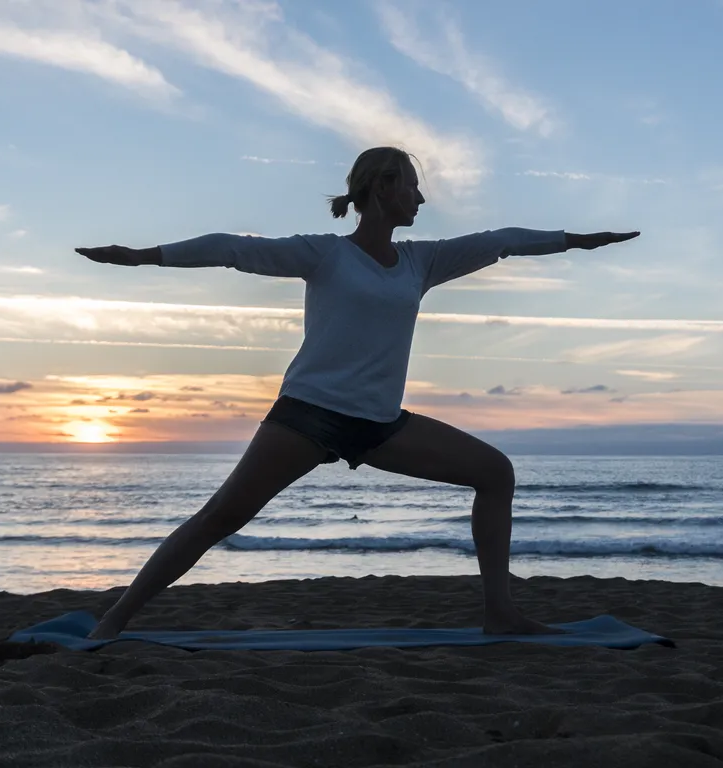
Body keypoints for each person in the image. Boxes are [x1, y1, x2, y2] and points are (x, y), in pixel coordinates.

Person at [76, 146, 640, 639]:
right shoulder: (325, 254)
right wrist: (146, 255)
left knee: (495, 473)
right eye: (413, 188)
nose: (420, 200)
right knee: (219, 519)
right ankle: (115, 619)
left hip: (379, 424)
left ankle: (502, 613)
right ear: (382, 187)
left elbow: (501, 241)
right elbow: (233, 248)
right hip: (308, 417)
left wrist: (573, 241)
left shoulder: (423, 261)